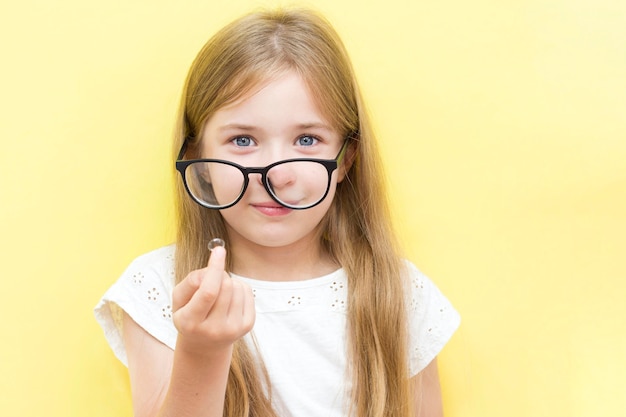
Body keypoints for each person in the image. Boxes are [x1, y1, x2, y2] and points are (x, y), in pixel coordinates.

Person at [95, 8, 460, 417]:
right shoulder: (158, 288)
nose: (276, 174)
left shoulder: (399, 294)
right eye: (243, 140)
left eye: (306, 139)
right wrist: (202, 351)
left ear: (346, 159)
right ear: (199, 157)